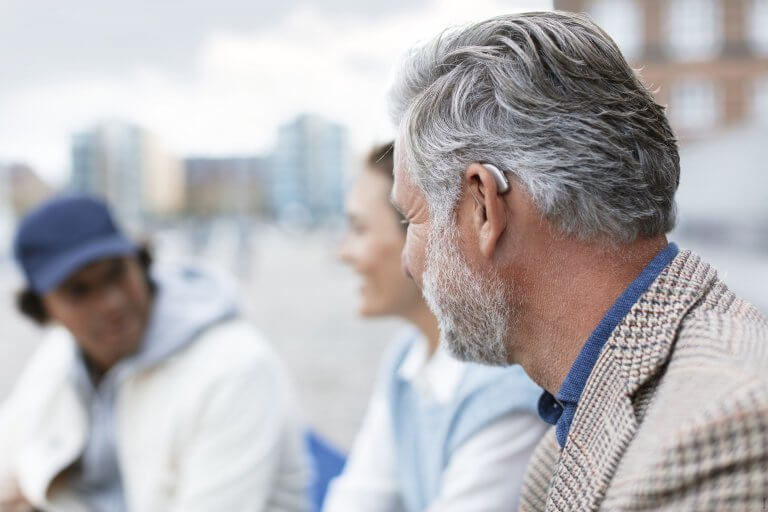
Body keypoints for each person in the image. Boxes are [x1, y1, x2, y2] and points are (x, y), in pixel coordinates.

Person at [387, 11, 768, 512]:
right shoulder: (575, 419)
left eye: (413, 219)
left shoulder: (717, 426)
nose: (407, 264)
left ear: (483, 206)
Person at [0, 195, 309, 512]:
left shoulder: (236, 367)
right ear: (43, 310)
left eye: (116, 273)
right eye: (79, 290)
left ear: (142, 262)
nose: (111, 302)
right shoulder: (60, 354)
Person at [326, 142, 548, 512]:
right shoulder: (404, 360)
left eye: (360, 229)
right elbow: (361, 496)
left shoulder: (507, 392)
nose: (343, 252)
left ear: (422, 233)